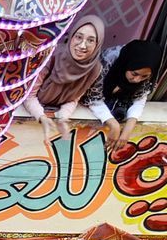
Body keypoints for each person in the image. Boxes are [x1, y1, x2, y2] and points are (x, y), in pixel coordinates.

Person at [23, 13, 106, 144]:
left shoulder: (94, 68)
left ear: (98, 43)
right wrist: (41, 117)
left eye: (90, 40)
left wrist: (63, 117)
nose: (82, 46)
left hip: (52, 118)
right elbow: (28, 95)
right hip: (31, 112)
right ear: (72, 36)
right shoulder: (52, 55)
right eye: (79, 37)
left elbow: (74, 99)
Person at [83, 38, 161, 144]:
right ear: (126, 64)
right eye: (134, 74)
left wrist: (126, 132)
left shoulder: (150, 72)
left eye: (144, 76)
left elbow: (139, 99)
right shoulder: (107, 60)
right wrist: (113, 125)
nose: (137, 80)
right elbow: (91, 97)